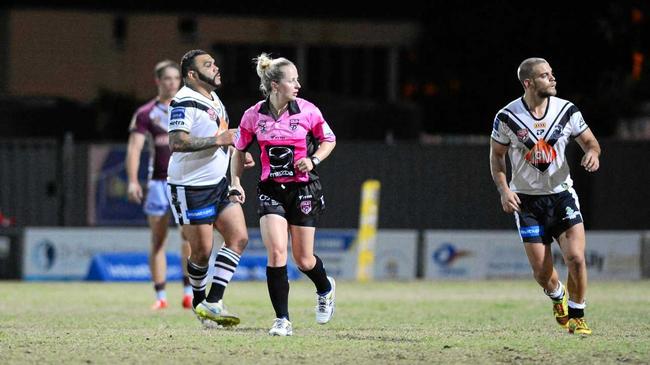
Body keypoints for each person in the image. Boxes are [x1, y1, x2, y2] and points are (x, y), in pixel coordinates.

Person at [489, 57, 601, 335]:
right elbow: (497, 157)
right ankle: (557, 296)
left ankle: (578, 313)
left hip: (561, 196)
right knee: (542, 274)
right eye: (544, 75)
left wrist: (592, 153)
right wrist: (504, 190)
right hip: (526, 202)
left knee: (575, 257)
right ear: (528, 83)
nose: (552, 78)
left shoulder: (567, 110)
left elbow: (590, 142)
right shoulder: (507, 117)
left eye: (552, 73)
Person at [230, 53, 337, 336]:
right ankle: (282, 320)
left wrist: (313, 160)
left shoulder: (308, 111)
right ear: (275, 85)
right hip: (271, 191)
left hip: (303, 189)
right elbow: (238, 149)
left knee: (303, 260)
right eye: (292, 80)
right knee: (276, 252)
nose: (298, 85)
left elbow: (329, 139)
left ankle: (325, 288)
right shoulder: (253, 115)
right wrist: (236, 181)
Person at [166, 49, 253, 327]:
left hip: (218, 184)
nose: (215, 67)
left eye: (215, 62)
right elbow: (177, 143)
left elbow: (221, 134)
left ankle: (213, 303)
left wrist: (234, 148)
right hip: (190, 186)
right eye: (208, 65)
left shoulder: (213, 97)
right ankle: (200, 300)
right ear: (192, 75)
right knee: (202, 252)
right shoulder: (183, 102)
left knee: (238, 238)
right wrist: (219, 140)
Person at [126, 60, 193, 310]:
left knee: (189, 237)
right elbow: (134, 148)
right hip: (158, 184)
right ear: (158, 81)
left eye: (177, 78)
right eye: (168, 78)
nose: (173, 83)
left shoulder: (189, 108)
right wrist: (133, 180)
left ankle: (189, 293)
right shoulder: (146, 113)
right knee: (158, 239)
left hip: (185, 181)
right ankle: (161, 297)